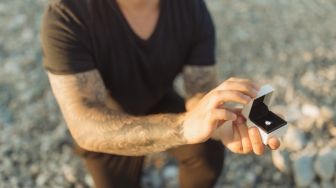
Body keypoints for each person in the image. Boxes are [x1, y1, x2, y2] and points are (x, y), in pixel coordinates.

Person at [41, 0, 281, 187]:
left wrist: (220, 120)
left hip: (159, 98)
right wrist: (184, 127)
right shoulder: (68, 15)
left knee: (208, 155)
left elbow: (199, 89)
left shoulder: (191, 9)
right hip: (107, 116)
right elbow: (84, 125)